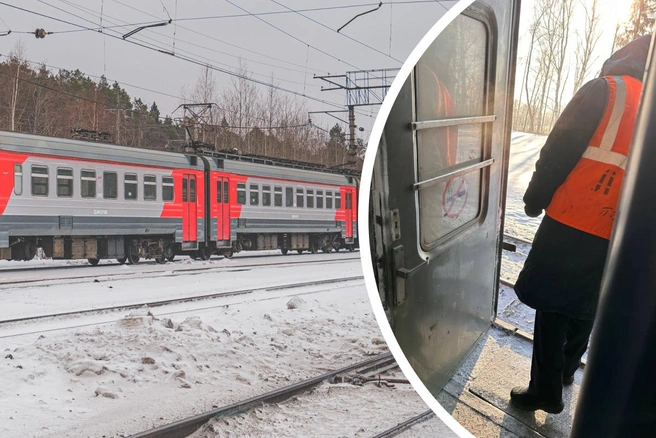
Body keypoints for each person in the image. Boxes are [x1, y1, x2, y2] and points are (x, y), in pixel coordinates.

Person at [509, 34, 652, 414]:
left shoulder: (605, 90)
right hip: (620, 233)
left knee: (553, 305)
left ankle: (544, 390)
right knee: (587, 304)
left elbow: (558, 148)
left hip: (572, 221)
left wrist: (535, 198)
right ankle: (567, 372)